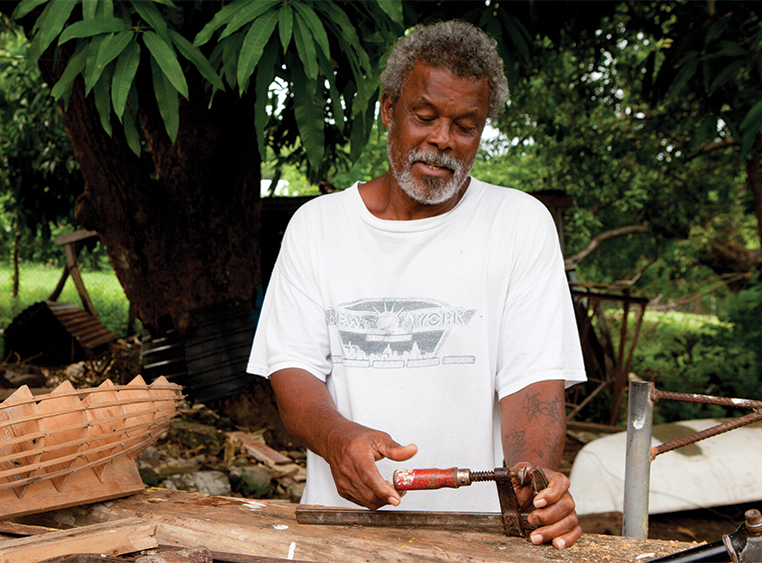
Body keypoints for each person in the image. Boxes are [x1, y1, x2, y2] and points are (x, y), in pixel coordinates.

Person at [247, 21, 586, 549]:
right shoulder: (317, 227)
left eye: (465, 126)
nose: (441, 140)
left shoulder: (520, 224)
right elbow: (293, 374)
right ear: (389, 109)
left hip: (476, 540)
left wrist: (533, 486)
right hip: (337, 534)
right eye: (424, 116)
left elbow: (534, 385)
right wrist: (340, 441)